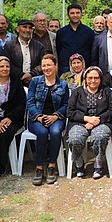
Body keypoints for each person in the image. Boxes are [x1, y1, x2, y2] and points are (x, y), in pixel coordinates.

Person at [66, 66, 112, 179]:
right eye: (90, 78)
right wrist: (87, 119)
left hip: (103, 122)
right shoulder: (77, 92)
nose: (93, 81)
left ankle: (98, 163)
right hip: (80, 122)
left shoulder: (107, 91)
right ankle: (79, 161)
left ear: (100, 79)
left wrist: (96, 120)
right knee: (75, 139)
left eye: (96, 78)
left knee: (100, 136)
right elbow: (70, 112)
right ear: (85, 78)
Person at [26, 54, 69, 186]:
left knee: (55, 132)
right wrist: (38, 116)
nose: (46, 68)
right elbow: (30, 102)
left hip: (56, 117)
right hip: (36, 118)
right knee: (43, 133)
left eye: (49, 65)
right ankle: (39, 168)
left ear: (56, 66)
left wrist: (55, 116)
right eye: (44, 65)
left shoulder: (63, 84)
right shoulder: (35, 81)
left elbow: (66, 105)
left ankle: (51, 166)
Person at [56, 4, 95, 75]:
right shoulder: (61, 32)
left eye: (77, 13)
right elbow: (58, 49)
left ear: (81, 14)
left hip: (84, 69)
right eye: (72, 13)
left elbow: (92, 50)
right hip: (65, 68)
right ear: (68, 15)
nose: (75, 15)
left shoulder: (89, 32)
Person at [4, 19, 45, 86]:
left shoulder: (39, 46)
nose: (27, 30)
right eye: (24, 27)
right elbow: (7, 63)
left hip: (35, 81)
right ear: (17, 29)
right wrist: (21, 75)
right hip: (15, 82)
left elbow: (43, 63)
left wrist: (31, 74)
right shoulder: (9, 46)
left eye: (30, 28)